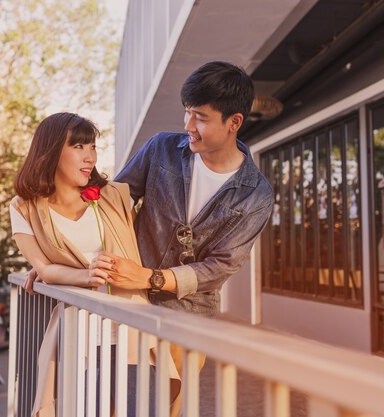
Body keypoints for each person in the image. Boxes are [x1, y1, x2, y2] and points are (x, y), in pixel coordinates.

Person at [97, 61, 274, 413]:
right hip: (127, 302)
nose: (188, 126)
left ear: (233, 123)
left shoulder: (257, 195)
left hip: (188, 318)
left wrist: (151, 277)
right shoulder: (160, 148)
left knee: (165, 408)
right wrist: (60, 258)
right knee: (117, 403)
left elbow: (221, 266)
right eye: (187, 113)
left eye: (201, 117)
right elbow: (110, 203)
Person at [9, 113, 180, 417]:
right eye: (78, 147)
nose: (89, 157)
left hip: (131, 329)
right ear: (50, 151)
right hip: (81, 335)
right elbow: (45, 269)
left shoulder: (113, 195)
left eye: (93, 147)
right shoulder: (24, 207)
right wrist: (80, 274)